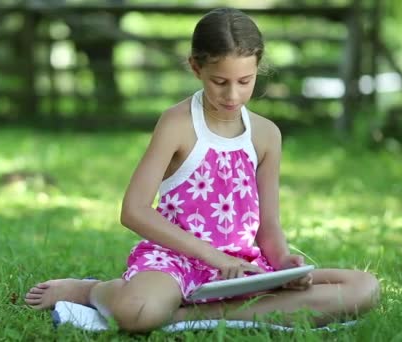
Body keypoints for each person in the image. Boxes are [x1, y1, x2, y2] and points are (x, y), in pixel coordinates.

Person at [25, 7, 380, 333]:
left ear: (258, 68)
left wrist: (285, 263)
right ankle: (93, 291)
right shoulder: (177, 124)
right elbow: (133, 211)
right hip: (175, 263)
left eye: (245, 81)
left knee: (364, 288)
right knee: (138, 311)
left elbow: (268, 228)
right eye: (219, 81)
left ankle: (184, 317)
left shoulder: (266, 135)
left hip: (242, 272)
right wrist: (213, 256)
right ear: (196, 67)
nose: (233, 95)